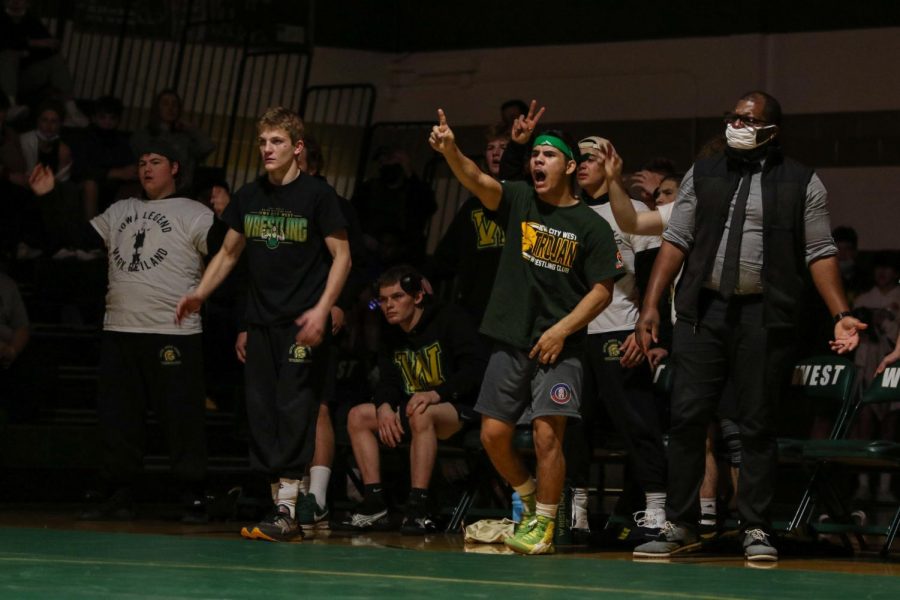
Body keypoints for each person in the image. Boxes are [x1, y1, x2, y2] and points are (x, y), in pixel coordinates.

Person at [630, 91, 866, 562]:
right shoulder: (705, 173)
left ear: (770, 131)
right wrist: (652, 305)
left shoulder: (802, 182)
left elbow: (818, 252)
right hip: (704, 311)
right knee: (688, 417)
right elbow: (676, 241)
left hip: (764, 315)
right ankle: (679, 523)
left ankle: (756, 528)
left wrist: (842, 314)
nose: (735, 125)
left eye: (747, 119)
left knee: (756, 423)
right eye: (732, 117)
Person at [429, 104, 623, 555]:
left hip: (562, 347)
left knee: (546, 434)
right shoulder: (519, 199)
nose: (538, 160)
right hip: (510, 337)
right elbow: (477, 179)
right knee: (493, 434)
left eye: (549, 155)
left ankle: (547, 524)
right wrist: (451, 151)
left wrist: (560, 331)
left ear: (570, 166)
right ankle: (531, 498)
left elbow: (602, 291)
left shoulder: (591, 226)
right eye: (535, 154)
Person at [175, 106, 351, 542]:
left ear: (297, 147)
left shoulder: (317, 195)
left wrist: (322, 309)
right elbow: (230, 253)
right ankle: (280, 506)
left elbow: (343, 257)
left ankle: (289, 507)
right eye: (263, 142)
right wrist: (201, 292)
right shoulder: (250, 196)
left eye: (276, 142)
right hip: (260, 323)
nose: (267, 149)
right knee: (262, 413)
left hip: (301, 324)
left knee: (294, 408)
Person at [27, 139, 215, 522]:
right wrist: (48, 197)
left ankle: (192, 492)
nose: (147, 169)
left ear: (174, 168)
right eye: (143, 162)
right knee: (118, 419)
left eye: (156, 162)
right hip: (120, 329)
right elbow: (77, 238)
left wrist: (227, 218)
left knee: (180, 419)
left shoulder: (195, 212)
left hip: (172, 332)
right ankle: (117, 491)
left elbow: (225, 256)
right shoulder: (121, 210)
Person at [339, 265, 486, 534]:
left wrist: (437, 393)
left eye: (397, 297)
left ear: (417, 297)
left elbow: (475, 369)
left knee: (421, 412)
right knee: (357, 416)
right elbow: (388, 380)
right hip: (414, 410)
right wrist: (383, 405)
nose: (388, 306)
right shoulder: (391, 331)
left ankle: (417, 507)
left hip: (457, 408)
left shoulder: (449, 318)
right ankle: (374, 504)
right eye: (383, 300)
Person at [574, 135, 669, 542]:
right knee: (573, 425)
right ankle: (574, 513)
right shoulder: (564, 214)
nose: (582, 164)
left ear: (611, 162)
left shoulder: (634, 213)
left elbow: (652, 278)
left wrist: (642, 330)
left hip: (619, 329)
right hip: (574, 334)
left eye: (592, 158)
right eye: (577, 158)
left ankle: (655, 509)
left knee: (636, 422)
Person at [430, 123, 509, 326]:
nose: (496, 153)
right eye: (491, 148)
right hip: (476, 308)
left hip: (513, 308)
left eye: (503, 147)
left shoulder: (529, 198)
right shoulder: (472, 206)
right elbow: (447, 254)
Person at [0, 0, 88, 126]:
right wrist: (31, 44)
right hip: (3, 76)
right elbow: (5, 44)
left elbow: (49, 48)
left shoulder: (32, 21)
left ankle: (71, 109)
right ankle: (11, 106)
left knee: (55, 60)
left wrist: (25, 48)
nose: (15, 1)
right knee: (9, 55)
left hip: (25, 76)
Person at [130, 88, 215, 195]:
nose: (170, 108)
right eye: (165, 104)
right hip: (149, 192)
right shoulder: (143, 136)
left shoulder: (184, 138)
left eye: (174, 104)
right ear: (157, 108)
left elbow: (207, 147)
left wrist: (191, 128)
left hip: (182, 193)